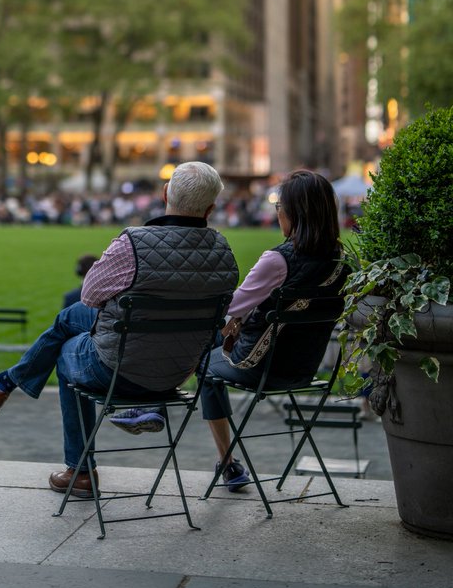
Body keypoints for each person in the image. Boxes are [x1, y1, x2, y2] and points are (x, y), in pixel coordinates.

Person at [0, 162, 239, 499]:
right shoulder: (224, 252)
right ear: (211, 208)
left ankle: (79, 469)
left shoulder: (133, 244)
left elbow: (90, 295)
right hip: (176, 372)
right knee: (71, 319)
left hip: (119, 369)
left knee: (68, 343)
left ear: (165, 193)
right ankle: (2, 385)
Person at [112, 169, 348, 492]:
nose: (277, 213)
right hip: (305, 369)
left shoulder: (278, 261)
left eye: (280, 207)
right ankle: (164, 414)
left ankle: (224, 459)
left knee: (207, 360)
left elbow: (224, 310)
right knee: (211, 346)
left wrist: (233, 320)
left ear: (294, 214)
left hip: (261, 366)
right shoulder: (342, 261)